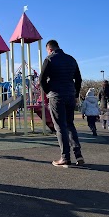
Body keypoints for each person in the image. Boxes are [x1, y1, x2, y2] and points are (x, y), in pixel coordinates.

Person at [39, 39, 84, 167]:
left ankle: (65, 157)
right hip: (70, 94)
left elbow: (42, 79)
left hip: (56, 95)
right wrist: (75, 93)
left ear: (50, 49)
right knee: (70, 124)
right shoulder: (71, 59)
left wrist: (48, 91)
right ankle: (78, 154)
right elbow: (79, 79)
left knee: (60, 127)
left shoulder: (49, 59)